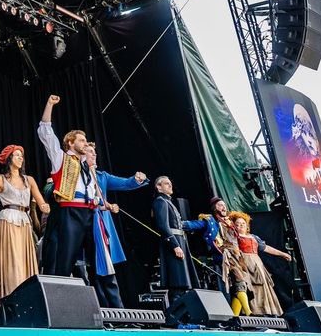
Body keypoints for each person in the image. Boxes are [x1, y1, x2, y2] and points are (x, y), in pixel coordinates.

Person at [0, 145, 50, 310]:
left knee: (25, 261)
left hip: (24, 222)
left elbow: (41, 202)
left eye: (21, 156)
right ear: (9, 158)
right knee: (12, 261)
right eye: (17, 155)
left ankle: (27, 299)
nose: (20, 158)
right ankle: (9, 298)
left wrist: (46, 207)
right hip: (8, 219)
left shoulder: (29, 180)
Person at [36, 94, 97, 277]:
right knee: (66, 257)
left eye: (85, 141)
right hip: (70, 210)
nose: (84, 143)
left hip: (90, 212)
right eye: (80, 140)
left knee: (95, 259)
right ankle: (61, 293)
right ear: (70, 143)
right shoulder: (61, 158)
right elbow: (45, 132)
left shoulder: (87, 165)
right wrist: (49, 105)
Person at [84, 142, 148, 308]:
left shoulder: (102, 176)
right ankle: (99, 309)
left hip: (101, 224)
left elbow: (125, 183)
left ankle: (116, 311)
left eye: (94, 152)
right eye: (90, 152)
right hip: (84, 223)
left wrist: (136, 180)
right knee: (90, 270)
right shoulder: (78, 175)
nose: (94, 155)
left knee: (106, 269)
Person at [185, 197, 251, 315]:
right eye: (220, 205)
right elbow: (195, 224)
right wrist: (179, 224)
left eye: (224, 205)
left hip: (237, 257)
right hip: (222, 258)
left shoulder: (232, 222)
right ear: (215, 208)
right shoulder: (210, 221)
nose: (224, 207)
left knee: (240, 286)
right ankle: (244, 312)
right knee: (233, 286)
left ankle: (236, 316)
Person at [230, 211, 290, 316]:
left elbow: (265, 248)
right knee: (247, 288)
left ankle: (265, 312)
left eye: (243, 224)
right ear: (234, 226)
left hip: (257, 264)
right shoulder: (234, 237)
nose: (240, 226)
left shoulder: (254, 237)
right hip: (244, 263)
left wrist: (282, 254)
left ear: (247, 225)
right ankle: (249, 313)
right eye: (237, 224)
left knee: (263, 287)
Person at [152, 176, 199, 297]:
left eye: (170, 183)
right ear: (158, 187)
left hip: (180, 241)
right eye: (166, 183)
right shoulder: (160, 201)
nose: (170, 185)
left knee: (183, 281)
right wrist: (175, 245)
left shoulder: (168, 201)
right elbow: (163, 226)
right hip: (173, 243)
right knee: (177, 281)